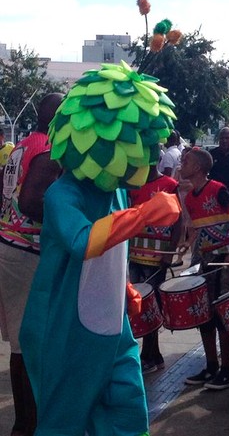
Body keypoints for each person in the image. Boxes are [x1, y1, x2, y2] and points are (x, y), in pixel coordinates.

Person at [19, 62, 181, 436]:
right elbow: (84, 241)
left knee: (128, 414)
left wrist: (120, 286)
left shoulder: (116, 190)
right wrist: (144, 213)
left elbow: (112, 247)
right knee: (65, 422)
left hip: (110, 325)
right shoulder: (63, 194)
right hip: (61, 329)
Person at [0, 93, 63, 436]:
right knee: (31, 343)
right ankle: (28, 424)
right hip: (25, 250)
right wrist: (66, 219)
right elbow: (29, 202)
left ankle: (25, 422)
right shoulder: (49, 149)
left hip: (9, 244)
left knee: (20, 345)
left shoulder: (23, 144)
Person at [179, 149, 229, 389]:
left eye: (186, 160)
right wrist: (188, 244)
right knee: (204, 314)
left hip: (223, 259)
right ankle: (211, 366)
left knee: (221, 313)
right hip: (204, 259)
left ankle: (227, 371)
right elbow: (199, 228)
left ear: (198, 167)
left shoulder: (217, 189)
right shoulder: (189, 197)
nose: (181, 163)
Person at [128, 165, 182, 374]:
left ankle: (149, 355)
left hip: (157, 257)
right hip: (134, 253)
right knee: (137, 306)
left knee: (151, 305)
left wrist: (170, 252)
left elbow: (178, 221)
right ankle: (153, 354)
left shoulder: (169, 185)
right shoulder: (132, 183)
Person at [209, 127, 229, 192]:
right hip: (215, 191)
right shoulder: (212, 154)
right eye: (222, 138)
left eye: (227, 138)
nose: (224, 141)